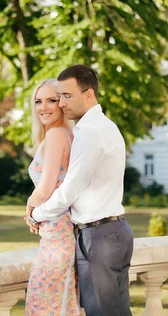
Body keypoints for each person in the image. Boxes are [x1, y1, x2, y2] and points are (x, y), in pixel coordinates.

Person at [27, 65, 134, 316]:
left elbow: (67, 191)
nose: (62, 104)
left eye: (66, 96)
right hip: (114, 230)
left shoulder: (88, 132)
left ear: (88, 94)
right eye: (59, 97)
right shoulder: (103, 126)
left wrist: (35, 214)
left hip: (99, 236)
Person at [24, 79, 80, 316]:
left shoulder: (57, 134)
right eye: (38, 101)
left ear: (62, 104)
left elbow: (46, 186)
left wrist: (29, 207)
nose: (43, 107)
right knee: (58, 307)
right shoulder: (65, 133)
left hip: (58, 237)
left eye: (51, 100)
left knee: (42, 306)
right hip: (58, 234)